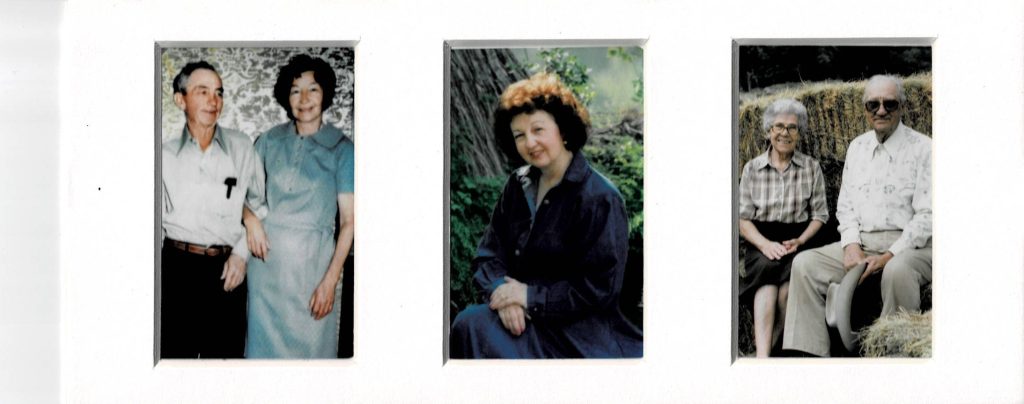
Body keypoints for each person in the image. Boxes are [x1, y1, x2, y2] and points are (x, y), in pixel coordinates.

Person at [450, 73, 642, 359]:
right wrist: (503, 295)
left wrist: (529, 297)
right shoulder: (517, 186)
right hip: (522, 321)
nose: (530, 142)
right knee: (468, 325)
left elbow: (599, 290)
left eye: (538, 129)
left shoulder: (601, 197)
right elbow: (488, 256)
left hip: (579, 333)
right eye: (519, 135)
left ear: (562, 129)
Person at [783, 75, 932, 357]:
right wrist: (850, 245)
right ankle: (808, 360)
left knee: (897, 271)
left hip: (911, 246)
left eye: (889, 103)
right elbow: (846, 206)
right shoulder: (857, 147)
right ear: (863, 108)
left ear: (902, 106)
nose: (881, 110)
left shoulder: (924, 149)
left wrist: (889, 255)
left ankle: (893, 357)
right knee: (804, 264)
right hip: (862, 243)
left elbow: (927, 216)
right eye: (872, 104)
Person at [242, 55, 354, 358]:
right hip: (266, 273)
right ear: (286, 97)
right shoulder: (267, 141)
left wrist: (330, 282)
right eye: (295, 90)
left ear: (325, 94)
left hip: (312, 274)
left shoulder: (343, 149)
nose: (304, 99)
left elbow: (349, 223)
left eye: (312, 89)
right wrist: (250, 219)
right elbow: (242, 195)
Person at [161, 61, 265, 359]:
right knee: (172, 361)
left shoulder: (242, 147)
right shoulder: (163, 156)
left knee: (224, 368)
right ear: (180, 99)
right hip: (176, 268)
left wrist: (241, 254)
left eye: (218, 93)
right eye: (202, 91)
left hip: (225, 270)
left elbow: (259, 202)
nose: (213, 101)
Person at [738, 98, 829, 357]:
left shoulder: (811, 167)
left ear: (799, 133)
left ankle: (764, 355)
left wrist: (800, 241)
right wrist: (764, 244)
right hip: (762, 239)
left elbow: (820, 215)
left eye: (792, 127)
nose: (785, 133)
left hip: (798, 240)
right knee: (766, 281)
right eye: (779, 126)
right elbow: (742, 219)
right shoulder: (752, 168)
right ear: (769, 131)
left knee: (788, 291)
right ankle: (764, 358)